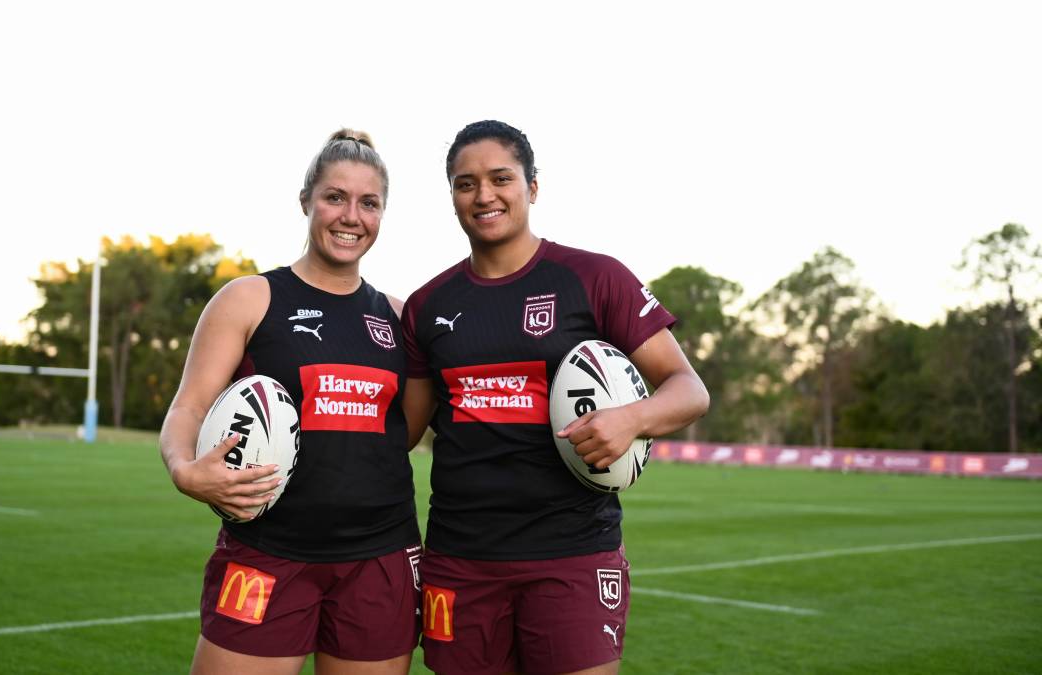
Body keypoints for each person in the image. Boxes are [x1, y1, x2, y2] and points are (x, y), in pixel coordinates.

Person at [400, 120, 710, 675]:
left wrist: (632, 419)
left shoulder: (594, 277)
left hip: (571, 554)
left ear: (533, 186)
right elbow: (400, 433)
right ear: (451, 196)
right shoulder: (428, 305)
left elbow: (688, 389)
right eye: (465, 183)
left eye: (501, 178)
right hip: (460, 558)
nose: (484, 195)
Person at [160, 129, 420, 675]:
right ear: (306, 201)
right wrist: (185, 469)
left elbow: (405, 433)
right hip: (268, 551)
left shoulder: (399, 318)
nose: (351, 216)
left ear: (382, 214)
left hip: (379, 558)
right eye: (335, 197)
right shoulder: (250, 298)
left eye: (368, 203)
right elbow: (189, 406)